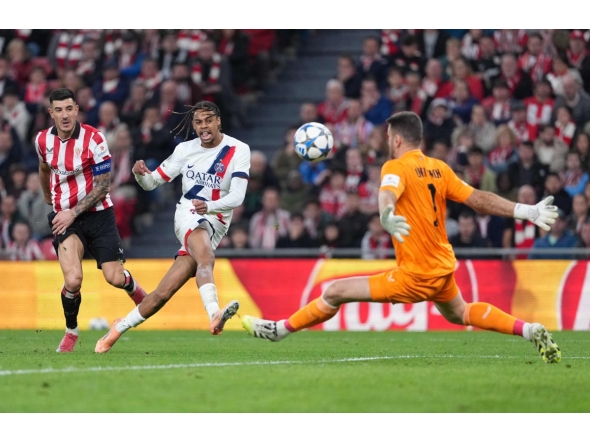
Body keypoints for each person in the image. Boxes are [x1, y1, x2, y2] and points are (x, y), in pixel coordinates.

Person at [242, 111, 562, 364]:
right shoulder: (440, 168)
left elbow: (388, 194)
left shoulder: (395, 166)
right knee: (460, 312)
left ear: (395, 139)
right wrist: (525, 210)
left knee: (335, 290)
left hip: (416, 274)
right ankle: (528, 329)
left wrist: (385, 215)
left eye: (387, 137)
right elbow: (477, 197)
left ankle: (279, 330)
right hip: (442, 266)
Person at [95, 100, 250, 353]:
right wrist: (141, 175)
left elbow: (237, 197)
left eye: (208, 120)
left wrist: (210, 207)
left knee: (161, 294)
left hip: (216, 221)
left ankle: (117, 329)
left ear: (218, 121)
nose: (204, 126)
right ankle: (214, 313)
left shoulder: (238, 149)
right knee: (206, 256)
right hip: (188, 212)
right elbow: (152, 182)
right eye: (198, 122)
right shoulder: (185, 150)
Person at [35, 88, 148, 353]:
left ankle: (135, 289)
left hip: (98, 215)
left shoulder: (94, 139)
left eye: (69, 109)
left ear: (77, 110)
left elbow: (103, 186)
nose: (65, 115)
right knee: (73, 280)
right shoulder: (42, 141)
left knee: (115, 278)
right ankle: (71, 332)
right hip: (65, 220)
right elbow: (43, 168)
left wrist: (72, 212)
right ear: (51, 113)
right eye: (59, 110)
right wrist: (47, 198)